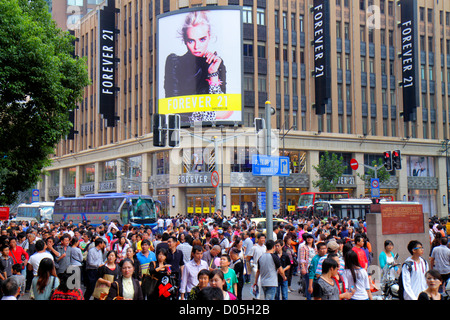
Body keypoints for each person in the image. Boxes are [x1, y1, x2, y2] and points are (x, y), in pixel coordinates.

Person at [164, 10, 228, 123]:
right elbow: (173, 106)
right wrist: (207, 112)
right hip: (181, 131)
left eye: (202, 39)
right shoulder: (174, 62)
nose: (196, 46)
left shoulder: (217, 63)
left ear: (209, 36)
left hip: (212, 133)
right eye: (191, 40)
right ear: (184, 40)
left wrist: (213, 73)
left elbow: (222, 107)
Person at [298, 233, 316, 300]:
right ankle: (308, 298)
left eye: (310, 238)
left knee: (313, 284)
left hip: (314, 268)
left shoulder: (315, 248)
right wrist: (302, 268)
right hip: (307, 268)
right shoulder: (303, 247)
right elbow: (302, 258)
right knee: (309, 284)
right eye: (308, 238)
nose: (309, 239)